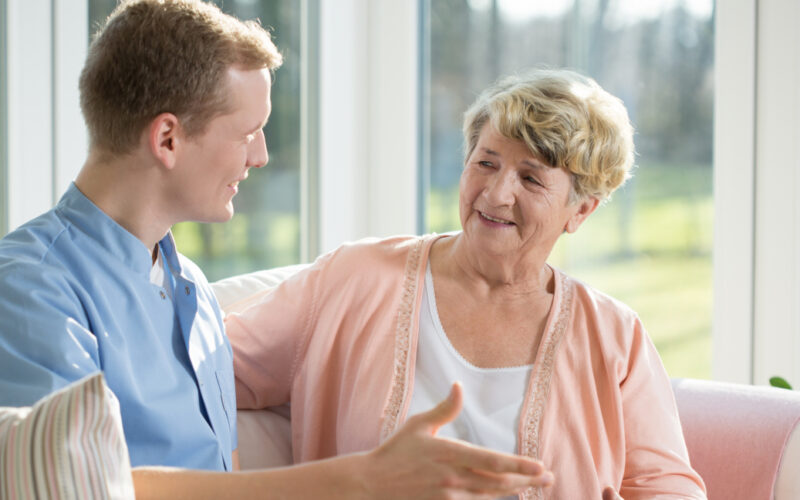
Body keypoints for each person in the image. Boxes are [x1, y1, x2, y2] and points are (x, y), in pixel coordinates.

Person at [0, 1, 555, 498]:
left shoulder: (187, 285)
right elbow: (78, 484)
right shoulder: (32, 288)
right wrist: (361, 479)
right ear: (167, 139)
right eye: (247, 133)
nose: (261, 156)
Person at [229, 69, 708, 499]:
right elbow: (207, 366)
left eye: (532, 178)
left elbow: (668, 487)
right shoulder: (354, 278)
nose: (497, 194)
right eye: (486, 163)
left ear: (581, 210)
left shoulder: (614, 335)